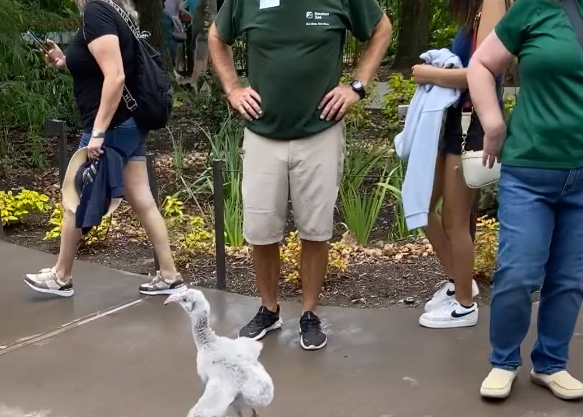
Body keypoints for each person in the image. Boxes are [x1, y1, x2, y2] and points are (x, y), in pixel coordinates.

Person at [209, 1, 391, 350]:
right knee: (261, 231)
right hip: (263, 132)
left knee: (315, 229)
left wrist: (356, 86)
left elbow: (382, 28)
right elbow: (217, 36)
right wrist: (233, 89)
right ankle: (269, 309)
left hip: (320, 131)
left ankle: (309, 314)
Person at [24, 0, 184, 298]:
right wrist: (65, 61)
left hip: (110, 125)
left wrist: (97, 133)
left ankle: (61, 276)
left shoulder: (97, 12)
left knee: (74, 197)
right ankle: (169, 275)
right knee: (142, 198)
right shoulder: (112, 10)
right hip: (127, 122)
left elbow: (116, 76)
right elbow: (100, 64)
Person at [468, 0, 583, 401]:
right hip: (530, 170)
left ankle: (551, 364)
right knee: (517, 272)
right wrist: (493, 123)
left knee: (570, 279)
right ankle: (504, 360)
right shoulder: (537, 9)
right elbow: (480, 64)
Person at [416, 0, 506, 329]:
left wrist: (430, 74)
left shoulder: (494, 3)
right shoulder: (474, 9)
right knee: (422, 205)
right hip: (456, 119)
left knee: (455, 221)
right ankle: (458, 281)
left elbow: (482, 73)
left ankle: (466, 304)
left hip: (475, 122)